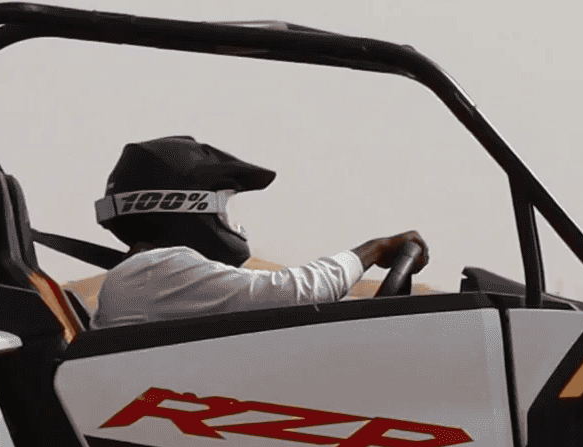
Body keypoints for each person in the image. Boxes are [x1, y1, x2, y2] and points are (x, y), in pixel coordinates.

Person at [89, 135, 424, 328]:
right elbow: (297, 293)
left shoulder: (153, 278)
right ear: (187, 204)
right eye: (224, 206)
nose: (231, 223)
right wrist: (376, 249)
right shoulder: (154, 269)